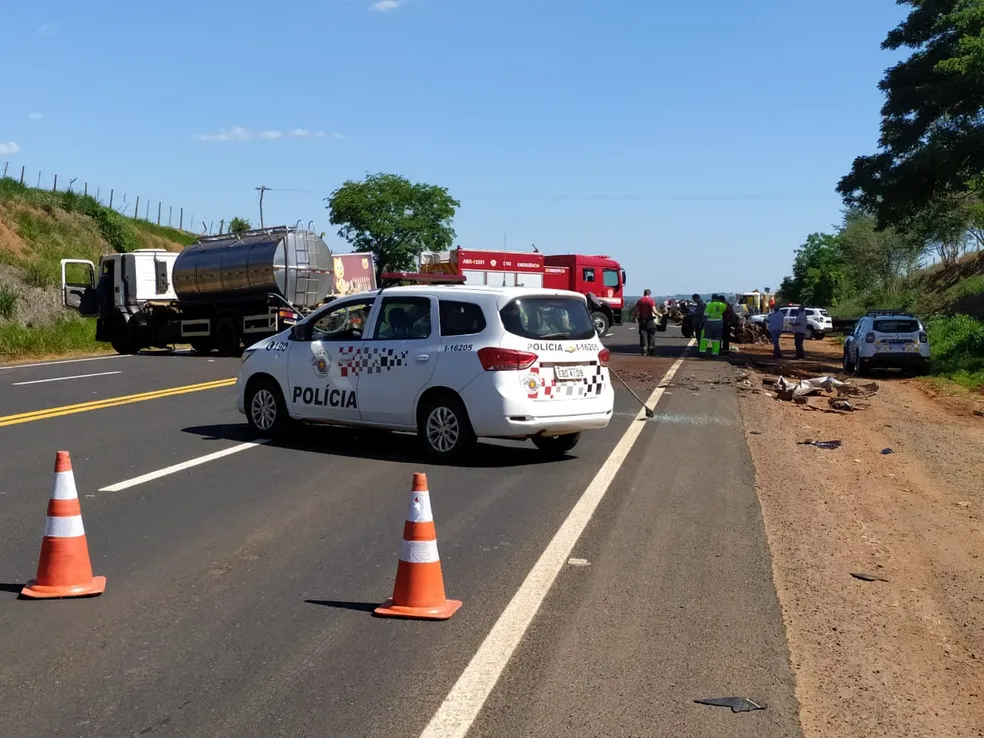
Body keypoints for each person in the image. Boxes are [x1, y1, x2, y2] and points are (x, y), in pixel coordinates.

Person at [633, 289, 658, 356]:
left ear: (644, 293)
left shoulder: (640, 301)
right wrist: (660, 314)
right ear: (649, 294)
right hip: (649, 320)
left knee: (643, 334)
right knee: (651, 334)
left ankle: (643, 350)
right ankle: (651, 350)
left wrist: (634, 317)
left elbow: (635, 311)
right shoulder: (651, 301)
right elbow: (654, 311)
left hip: (642, 320)